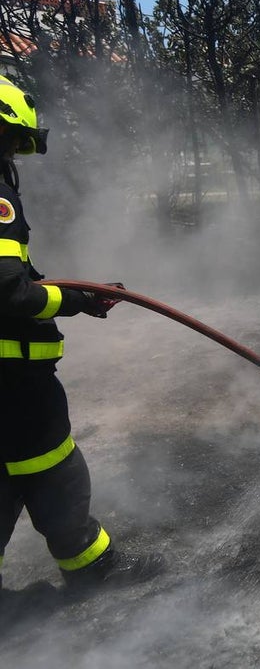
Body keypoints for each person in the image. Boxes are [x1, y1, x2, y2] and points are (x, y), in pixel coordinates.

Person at [0, 75, 165, 594]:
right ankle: (93, 570)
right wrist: (77, 300)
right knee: (54, 470)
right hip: (13, 385)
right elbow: (9, 294)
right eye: (11, 143)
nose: (13, 158)